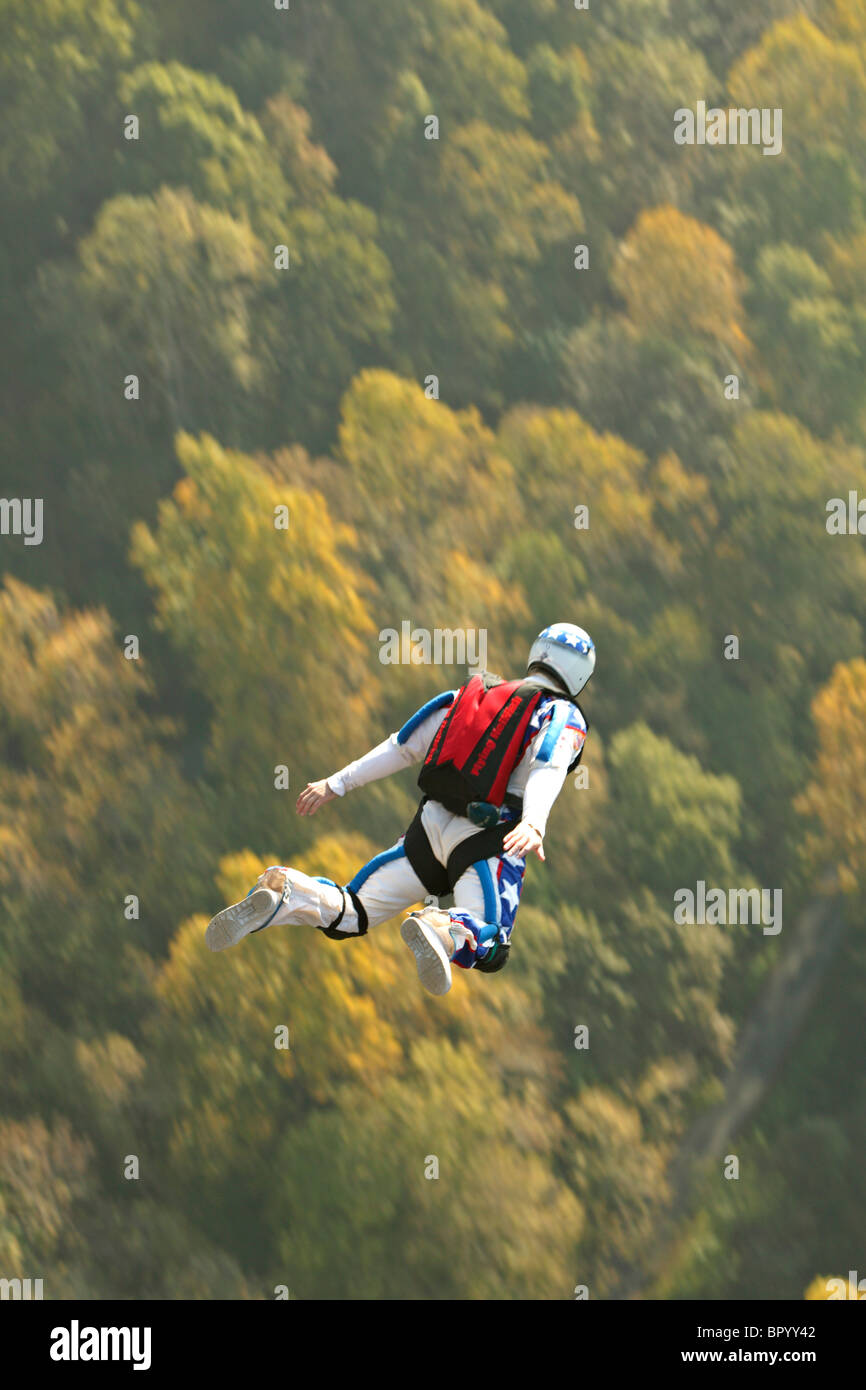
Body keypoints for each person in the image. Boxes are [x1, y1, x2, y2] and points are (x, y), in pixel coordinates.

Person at [205, 623, 594, 995]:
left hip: (429, 828)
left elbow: (402, 746)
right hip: (492, 838)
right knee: (491, 943)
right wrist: (534, 822)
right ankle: (440, 928)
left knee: (352, 912)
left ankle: (287, 891)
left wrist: (336, 783)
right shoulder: (561, 715)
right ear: (579, 675)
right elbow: (549, 762)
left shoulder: (472, 695)